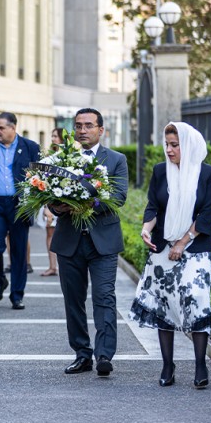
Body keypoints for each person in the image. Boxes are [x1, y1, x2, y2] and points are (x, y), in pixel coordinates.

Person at [131, 122, 211, 388]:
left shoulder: (206, 174)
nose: (168, 150)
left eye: (174, 145)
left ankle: (200, 364)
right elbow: (153, 206)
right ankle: (168, 365)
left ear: (187, 146)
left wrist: (181, 243)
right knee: (163, 303)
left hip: (196, 248)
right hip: (162, 247)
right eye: (166, 145)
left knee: (196, 298)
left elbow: (206, 215)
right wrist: (146, 229)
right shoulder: (160, 172)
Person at [51, 108, 128, 377]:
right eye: (78, 126)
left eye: (88, 125)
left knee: (104, 297)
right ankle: (81, 354)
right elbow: (48, 194)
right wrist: (58, 206)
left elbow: (117, 197)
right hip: (69, 240)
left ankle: (104, 354)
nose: (82, 130)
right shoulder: (61, 158)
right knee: (73, 300)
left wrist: (82, 206)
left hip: (103, 241)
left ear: (100, 130)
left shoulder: (116, 160)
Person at [0, 112, 41, 309]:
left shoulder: (30, 148)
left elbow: (40, 177)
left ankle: (17, 295)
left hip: (19, 206)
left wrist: (35, 204)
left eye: (1, 128)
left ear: (13, 127)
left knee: (18, 252)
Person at [39, 128, 64, 277]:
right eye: (52, 136)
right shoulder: (49, 157)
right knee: (50, 234)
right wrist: (46, 206)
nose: (53, 139)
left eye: (56, 136)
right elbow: (43, 183)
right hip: (51, 202)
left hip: (66, 202)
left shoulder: (69, 157)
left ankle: (63, 267)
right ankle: (52, 266)